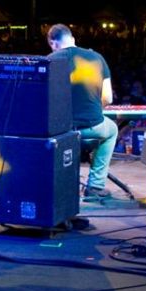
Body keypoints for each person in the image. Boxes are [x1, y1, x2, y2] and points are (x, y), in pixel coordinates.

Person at [47, 23, 118, 200]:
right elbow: (108, 98)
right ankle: (95, 185)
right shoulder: (97, 58)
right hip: (91, 127)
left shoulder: (50, 60)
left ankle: (55, 185)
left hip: (61, 130)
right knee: (112, 130)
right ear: (73, 39)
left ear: (53, 43)